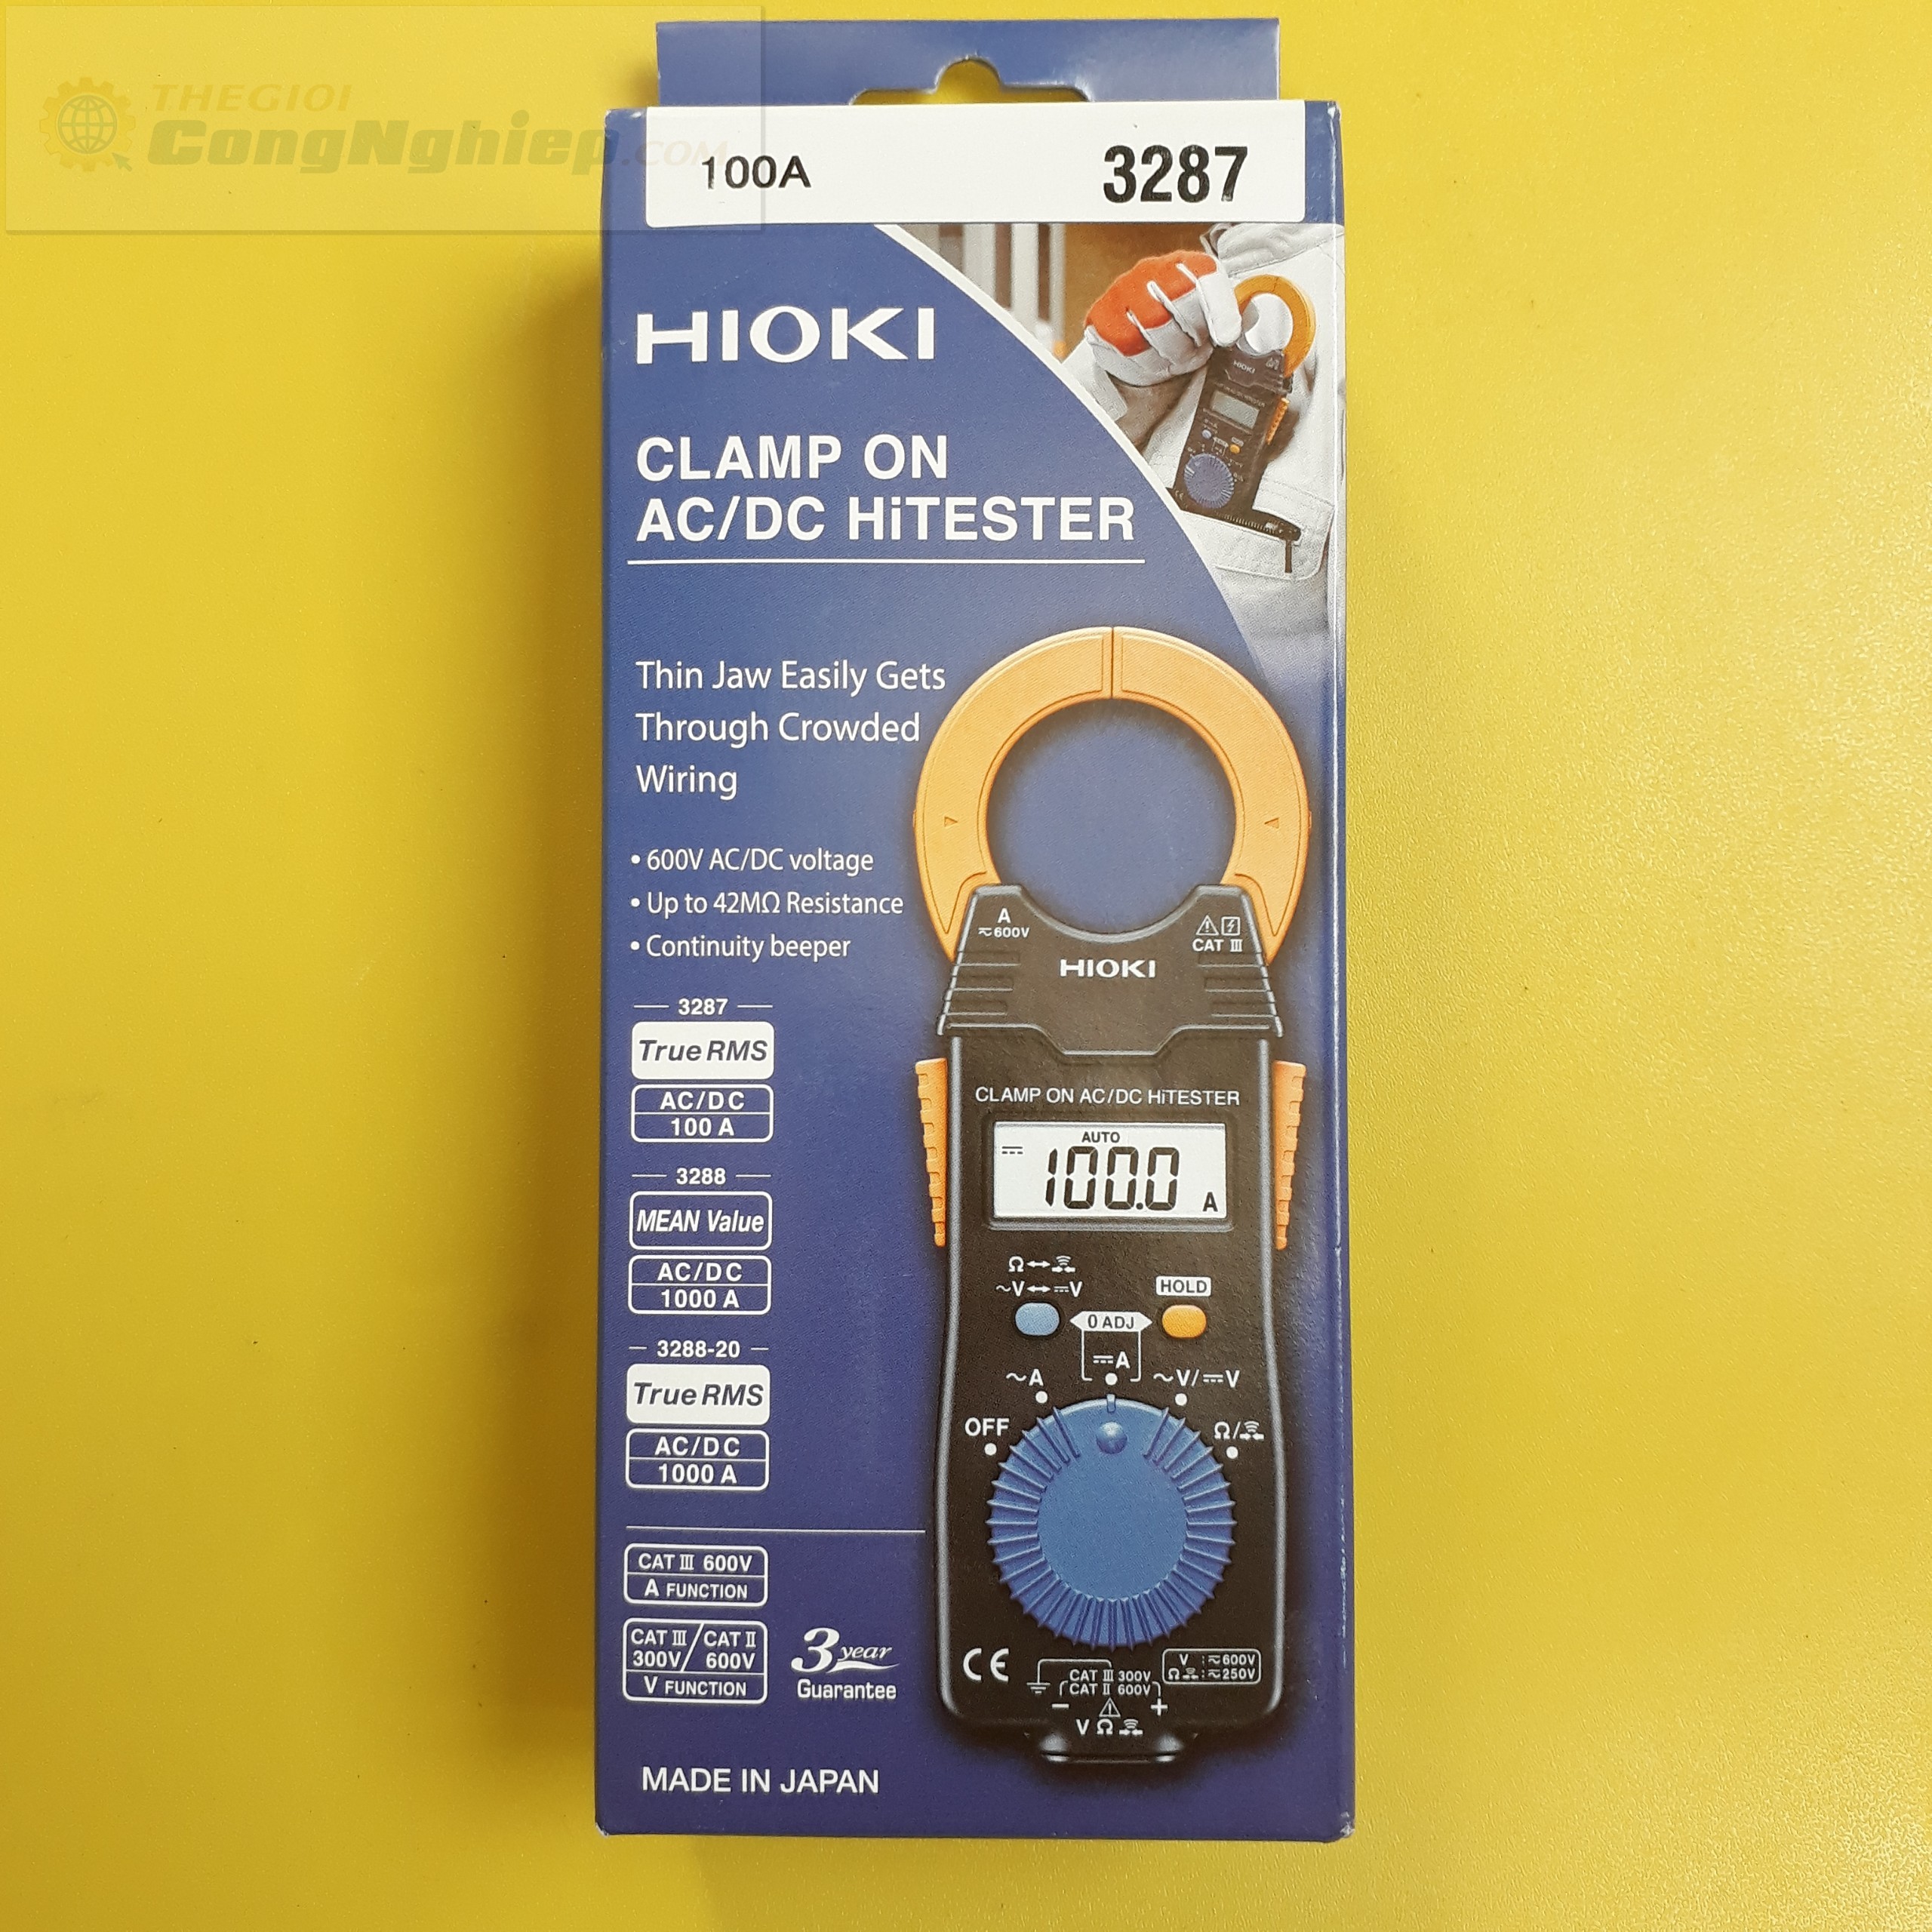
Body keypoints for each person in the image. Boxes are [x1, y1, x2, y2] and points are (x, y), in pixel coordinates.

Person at [1062, 223, 1344, 692]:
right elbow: (1013, 538)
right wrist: (1125, 397)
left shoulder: (1356, 315)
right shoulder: (1186, 308)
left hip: (1248, 733)